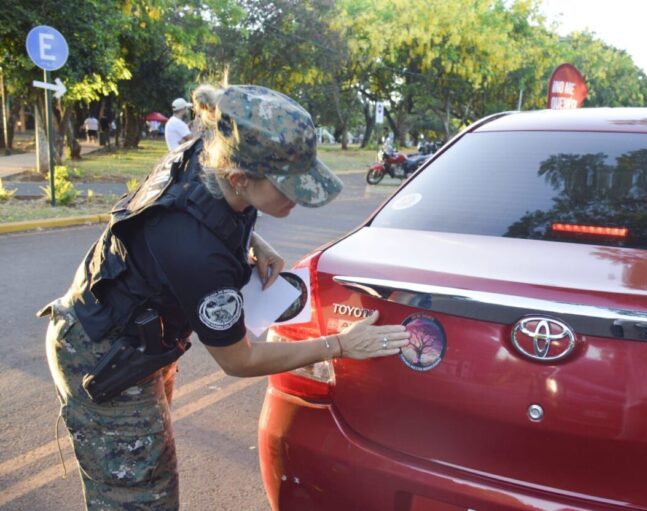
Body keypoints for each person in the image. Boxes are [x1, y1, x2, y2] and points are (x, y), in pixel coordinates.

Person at [40, 84, 410, 510]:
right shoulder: (197, 252)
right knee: (141, 498)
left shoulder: (215, 150)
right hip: (103, 359)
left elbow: (204, 208)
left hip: (139, 341)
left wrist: (254, 242)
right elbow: (239, 360)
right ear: (239, 179)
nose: (298, 198)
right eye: (287, 188)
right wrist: (340, 345)